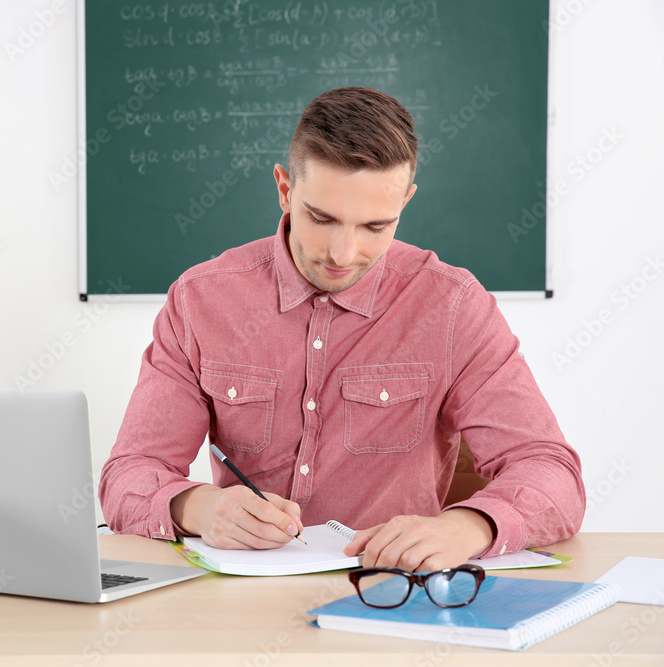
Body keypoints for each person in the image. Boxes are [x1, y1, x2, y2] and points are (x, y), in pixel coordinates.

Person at [98, 87, 584, 573]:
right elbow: (129, 476)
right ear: (285, 189)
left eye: (375, 226)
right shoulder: (200, 301)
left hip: (392, 597)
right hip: (241, 602)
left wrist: (466, 527)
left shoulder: (454, 306)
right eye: (321, 218)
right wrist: (199, 508)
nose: (343, 254)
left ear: (406, 201)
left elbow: (552, 474)